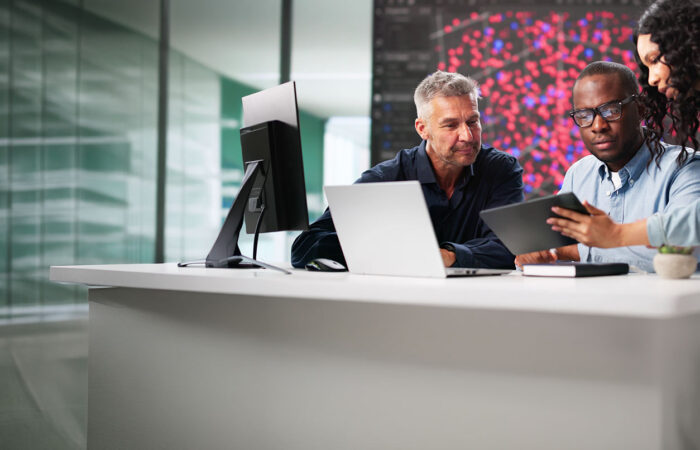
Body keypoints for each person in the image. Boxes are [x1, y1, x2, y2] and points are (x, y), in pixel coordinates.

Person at [291, 71, 524, 269]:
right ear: (423, 129)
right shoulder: (386, 178)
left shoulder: (501, 169)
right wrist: (390, 249)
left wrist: (447, 256)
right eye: (451, 125)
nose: (468, 135)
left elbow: (508, 247)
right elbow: (306, 246)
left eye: (473, 121)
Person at [540, 0, 700, 250]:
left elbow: (692, 234)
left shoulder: (683, 168)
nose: (653, 78)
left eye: (656, 59)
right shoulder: (578, 174)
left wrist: (615, 236)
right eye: (646, 66)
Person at [515, 61, 700, 271]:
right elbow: (554, 246)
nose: (598, 126)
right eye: (584, 116)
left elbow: (682, 250)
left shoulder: (685, 168)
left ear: (641, 109)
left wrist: (574, 251)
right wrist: (536, 254)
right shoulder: (578, 174)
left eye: (611, 110)